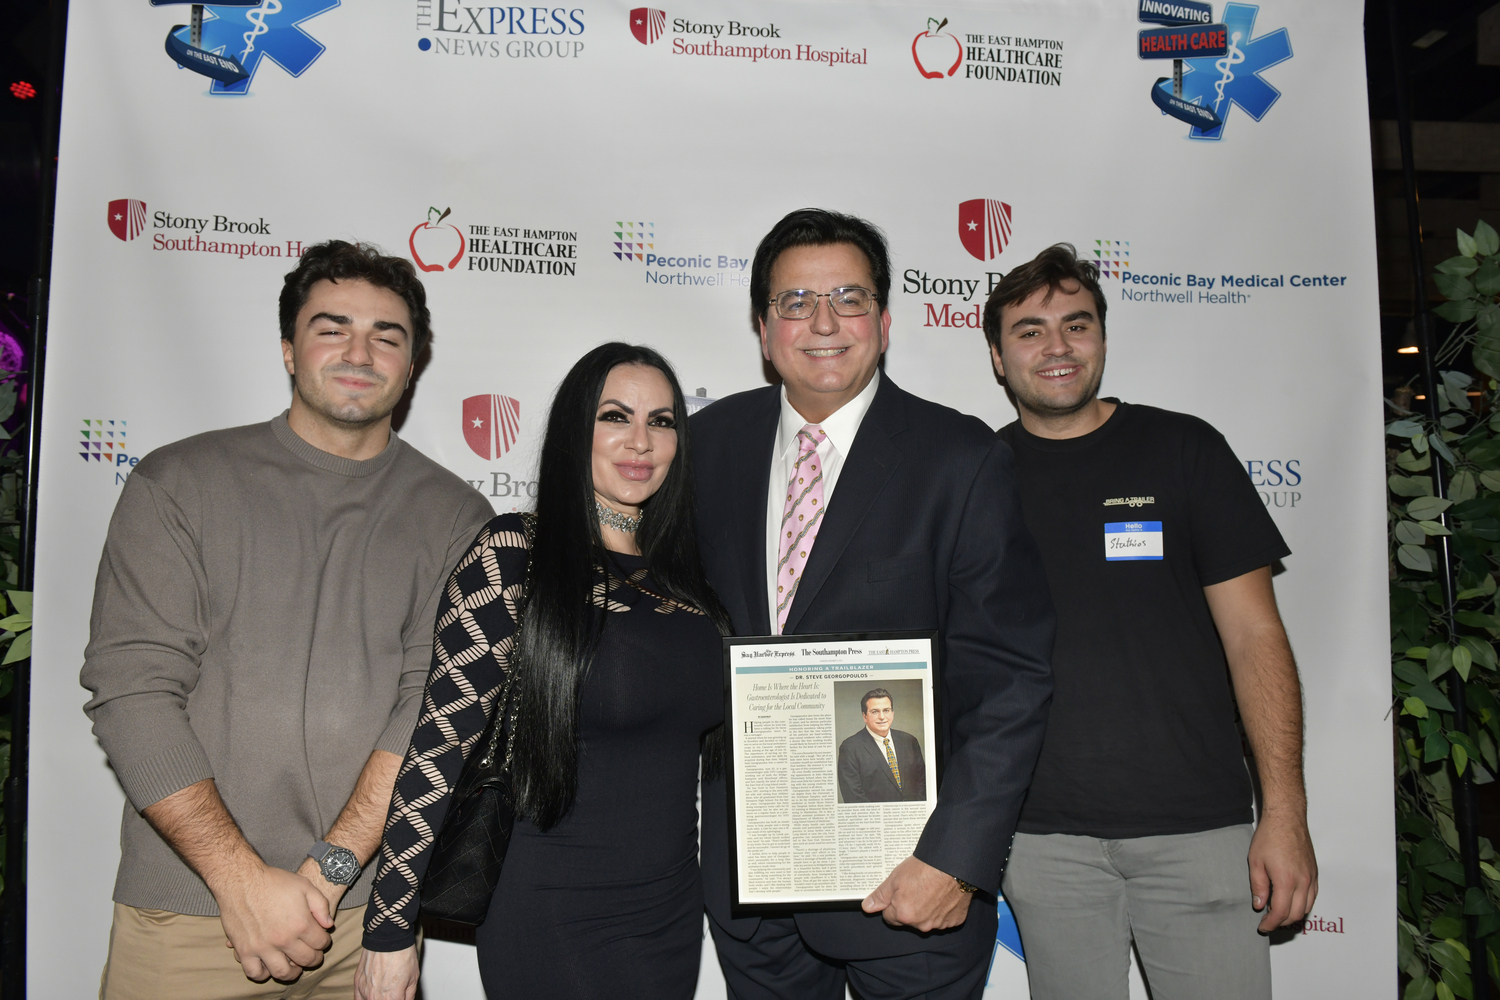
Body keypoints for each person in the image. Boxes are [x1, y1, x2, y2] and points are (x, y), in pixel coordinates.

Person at [81, 241, 495, 999]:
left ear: (413, 363)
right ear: (287, 347)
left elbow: (429, 711)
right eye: (332, 327)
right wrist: (241, 883)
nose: (360, 352)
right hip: (192, 916)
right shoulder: (178, 483)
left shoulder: (458, 518)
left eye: (387, 336)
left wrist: (322, 878)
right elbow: (132, 692)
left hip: (363, 921)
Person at [690, 208, 1055, 1000]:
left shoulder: (960, 460)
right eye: (795, 303)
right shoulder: (705, 446)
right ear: (762, 328)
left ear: (884, 322)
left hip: (910, 884)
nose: (823, 323)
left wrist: (957, 858)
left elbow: (1010, 679)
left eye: (848, 299)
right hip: (754, 887)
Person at [984, 244, 1318, 999]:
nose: (1058, 346)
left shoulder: (1183, 449)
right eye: (1030, 331)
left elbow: (1256, 638)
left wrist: (1286, 816)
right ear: (999, 359)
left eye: (1077, 324)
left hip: (1200, 832)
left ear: (1102, 337)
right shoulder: (975, 475)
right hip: (1040, 840)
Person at [356, 343, 727, 1000]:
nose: (640, 441)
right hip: (553, 912)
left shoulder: (688, 584)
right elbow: (439, 745)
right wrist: (389, 929)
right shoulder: (514, 556)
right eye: (616, 416)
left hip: (669, 914)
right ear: (573, 431)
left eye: (662, 421)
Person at [837, 688, 926, 803]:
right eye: (875, 711)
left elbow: (922, 783)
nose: (882, 717)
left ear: (892, 713)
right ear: (864, 716)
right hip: (876, 818)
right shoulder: (850, 747)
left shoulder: (909, 741)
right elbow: (853, 796)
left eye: (886, 710)